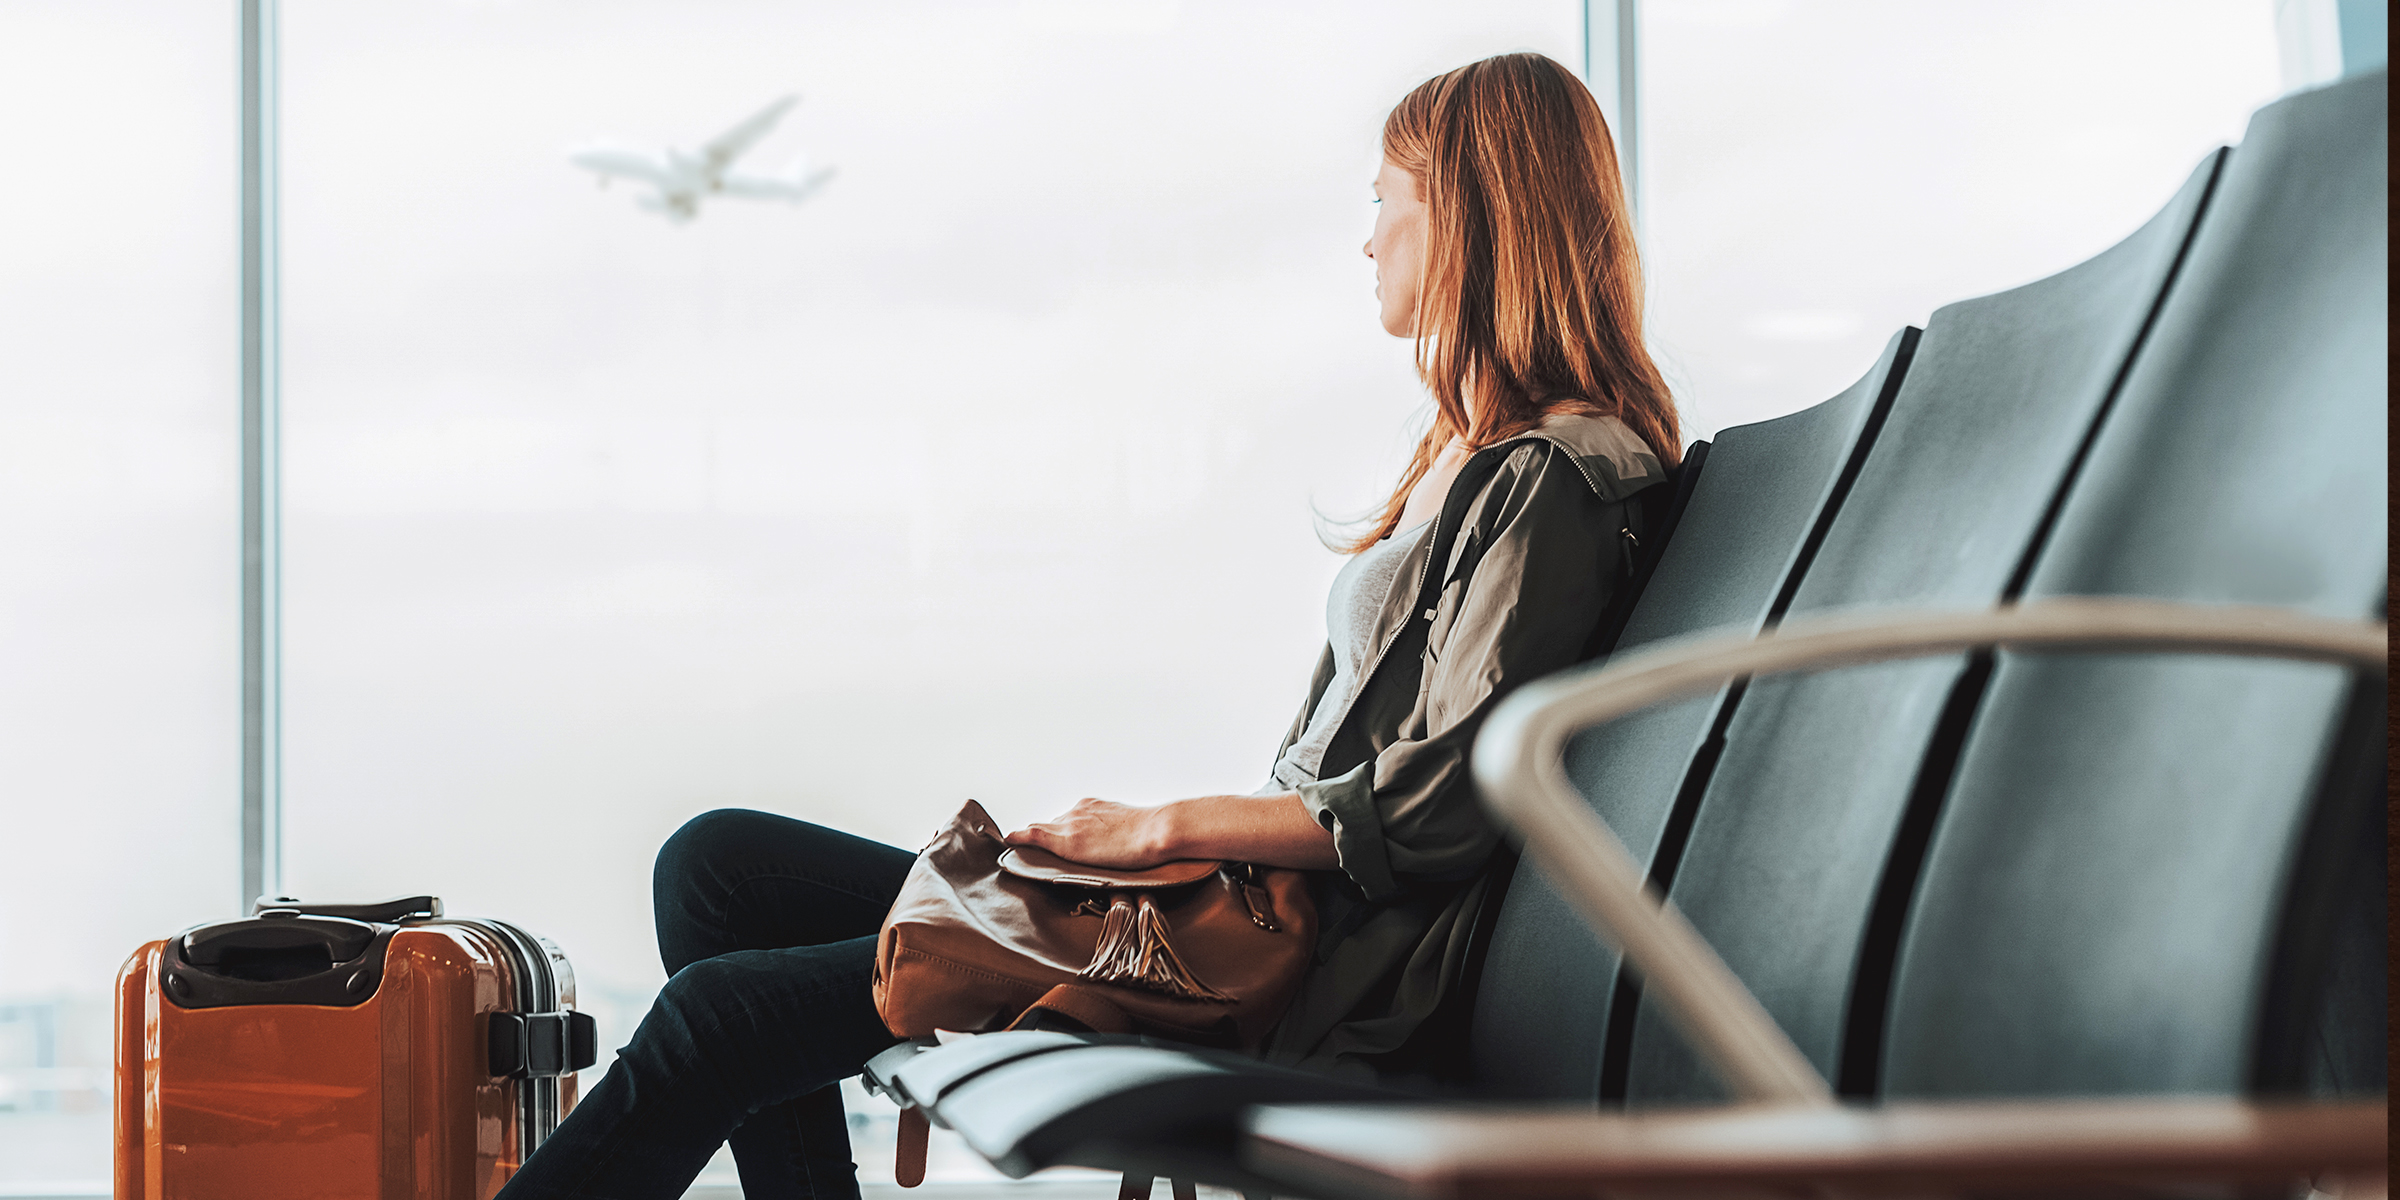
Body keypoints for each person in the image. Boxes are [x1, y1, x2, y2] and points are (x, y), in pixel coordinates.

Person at [494, 50, 1680, 1200]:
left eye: (1387, 201)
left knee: (720, 1018)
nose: (1367, 238)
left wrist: (1157, 828)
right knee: (717, 868)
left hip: (1291, 967)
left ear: (1471, 216)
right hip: (1236, 910)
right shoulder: (1475, 458)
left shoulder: (1558, 480)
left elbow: (1440, 805)